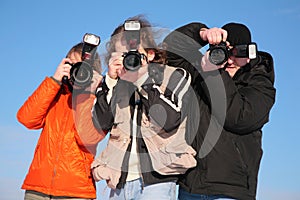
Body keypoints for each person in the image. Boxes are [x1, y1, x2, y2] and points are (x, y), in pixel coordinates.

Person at [163, 22, 276, 200]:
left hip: (231, 191)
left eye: (238, 53)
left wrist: (213, 74)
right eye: (226, 52)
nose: (230, 60)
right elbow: (170, 51)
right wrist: (201, 34)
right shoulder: (202, 71)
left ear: (249, 54)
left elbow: (239, 117)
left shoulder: (259, 83)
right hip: (191, 187)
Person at [91, 15, 197, 200]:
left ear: (150, 54)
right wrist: (109, 81)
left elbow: (169, 121)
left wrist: (143, 80)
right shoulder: (114, 85)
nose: (129, 59)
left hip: (158, 181)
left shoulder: (174, 76)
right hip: (118, 181)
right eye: (122, 54)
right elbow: (100, 124)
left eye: (133, 53)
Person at [17, 42, 106, 199]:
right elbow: (26, 119)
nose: (76, 71)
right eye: (71, 65)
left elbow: (85, 137)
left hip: (76, 191)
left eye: (81, 67)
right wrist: (55, 80)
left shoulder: (98, 99)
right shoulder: (55, 94)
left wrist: (88, 94)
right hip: (38, 187)